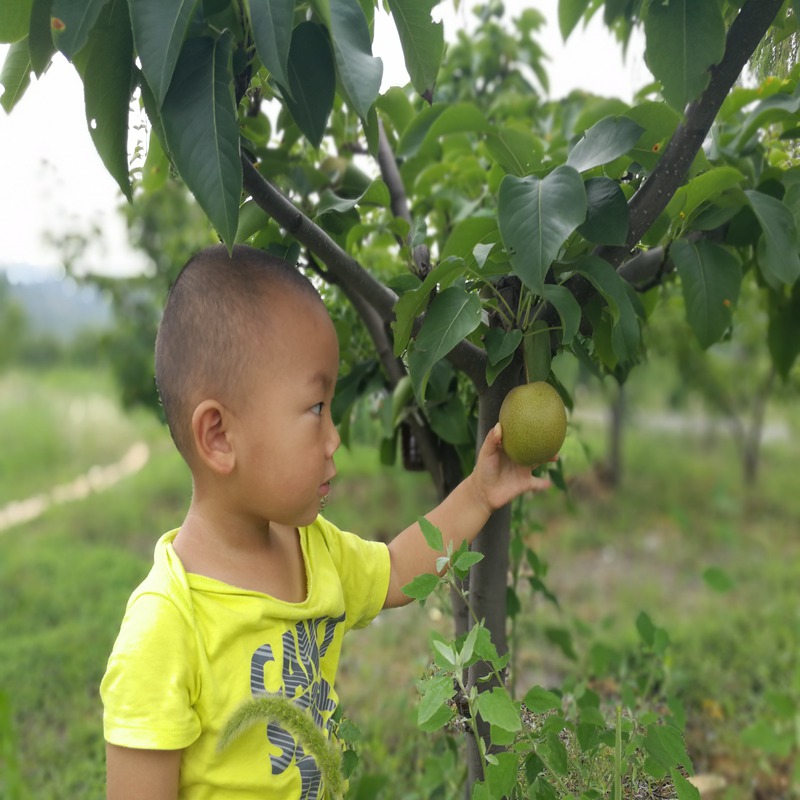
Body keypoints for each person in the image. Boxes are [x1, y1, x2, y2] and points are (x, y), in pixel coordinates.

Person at [101, 244, 553, 800]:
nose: (335, 437)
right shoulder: (166, 628)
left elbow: (394, 570)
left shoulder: (313, 549)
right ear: (219, 436)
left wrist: (481, 491)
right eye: (317, 409)